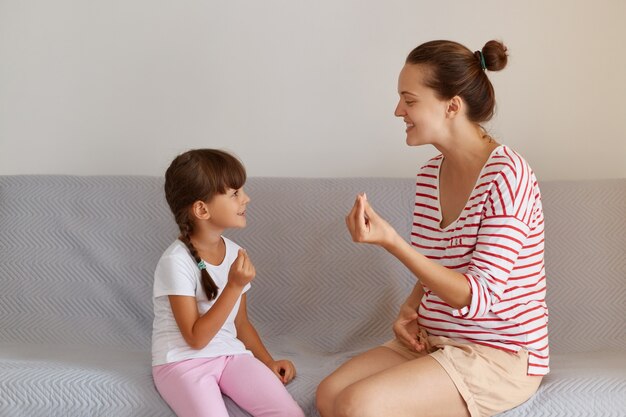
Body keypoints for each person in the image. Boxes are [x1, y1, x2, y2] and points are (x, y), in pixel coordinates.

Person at [316, 40, 548, 417]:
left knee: (357, 406)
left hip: (498, 354)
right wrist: (411, 308)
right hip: (436, 339)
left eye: (409, 100)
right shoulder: (429, 175)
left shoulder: (508, 175)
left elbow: (477, 296)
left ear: (452, 106)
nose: (397, 111)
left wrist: (391, 242)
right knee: (329, 395)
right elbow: (439, 264)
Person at [151, 149, 304, 417]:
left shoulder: (235, 253)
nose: (246, 198)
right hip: (181, 362)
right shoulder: (175, 261)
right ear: (201, 209)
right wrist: (233, 286)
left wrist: (268, 362)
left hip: (231, 356)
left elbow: (240, 323)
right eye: (234, 194)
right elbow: (196, 338)